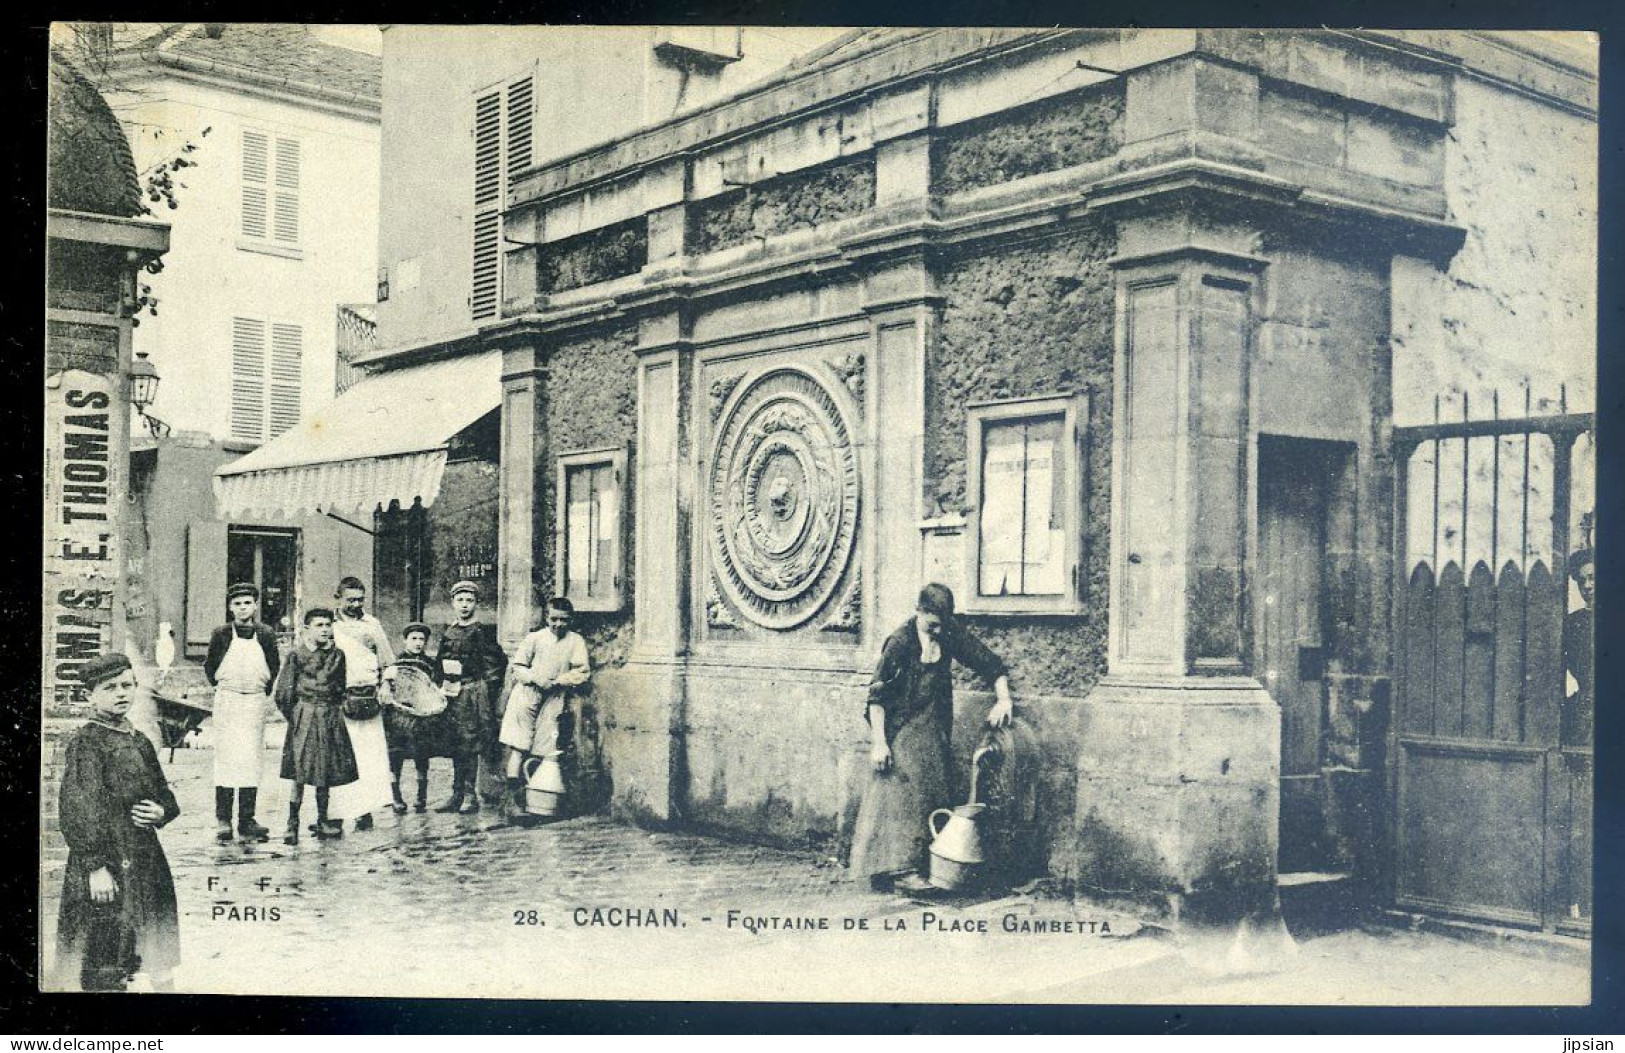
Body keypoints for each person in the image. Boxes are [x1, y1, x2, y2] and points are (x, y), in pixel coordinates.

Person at [848, 583, 1016, 888]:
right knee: (900, 799)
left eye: (943, 623)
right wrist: (880, 744)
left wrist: (1004, 699)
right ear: (920, 612)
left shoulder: (948, 633)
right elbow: (877, 698)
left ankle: (923, 865)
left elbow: (989, 663)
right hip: (900, 730)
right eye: (933, 623)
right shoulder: (900, 643)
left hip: (933, 729)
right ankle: (899, 870)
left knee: (931, 794)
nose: (938, 630)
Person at [54, 653, 182, 992]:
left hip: (144, 857)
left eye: (127, 685)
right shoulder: (88, 742)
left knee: (155, 948)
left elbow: (163, 792)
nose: (121, 693)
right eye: (110, 688)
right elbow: (77, 808)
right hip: (106, 862)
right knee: (106, 953)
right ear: (90, 696)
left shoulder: (138, 739)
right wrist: (95, 867)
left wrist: (162, 812)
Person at [498, 597, 591, 818]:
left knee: (545, 747)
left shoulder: (575, 641)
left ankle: (537, 801)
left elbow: (583, 671)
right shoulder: (535, 638)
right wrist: (536, 678)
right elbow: (518, 666)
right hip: (527, 696)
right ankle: (512, 801)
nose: (558, 624)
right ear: (546, 618)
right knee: (519, 747)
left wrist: (561, 680)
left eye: (564, 620)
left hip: (554, 698)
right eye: (554, 619)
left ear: (571, 620)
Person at [202, 582, 281, 843]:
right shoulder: (221, 634)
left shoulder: (267, 634)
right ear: (230, 608)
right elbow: (211, 666)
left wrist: (259, 691)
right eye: (237, 603)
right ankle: (223, 819)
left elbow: (273, 666)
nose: (242, 607)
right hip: (228, 701)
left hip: (254, 703)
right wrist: (228, 689)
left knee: (250, 760)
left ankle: (247, 819)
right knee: (226, 760)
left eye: (247, 602)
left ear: (255, 605)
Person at [274, 608, 357, 844]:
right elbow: (283, 693)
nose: (324, 630)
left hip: (330, 714)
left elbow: (341, 688)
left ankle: (323, 819)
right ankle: (292, 823)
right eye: (319, 625)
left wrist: (334, 709)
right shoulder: (296, 655)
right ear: (307, 629)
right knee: (299, 770)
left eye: (328, 625)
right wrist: (297, 715)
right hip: (305, 713)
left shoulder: (338, 655)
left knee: (326, 769)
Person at [429, 581, 508, 814]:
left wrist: (482, 689)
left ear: (476, 603)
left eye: (469, 600)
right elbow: (439, 664)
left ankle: (469, 795)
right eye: (460, 600)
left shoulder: (482, 632)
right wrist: (439, 685)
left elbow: (495, 666)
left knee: (469, 743)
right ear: (453, 603)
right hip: (451, 695)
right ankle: (455, 794)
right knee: (454, 743)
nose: (464, 605)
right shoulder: (449, 631)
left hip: (471, 694)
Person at [328, 576, 395, 832]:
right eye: (350, 600)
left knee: (368, 758)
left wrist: (386, 685)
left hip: (367, 699)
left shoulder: (372, 624)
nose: (356, 604)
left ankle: (364, 811)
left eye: (360, 599)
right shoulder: (328, 625)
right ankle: (334, 815)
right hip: (338, 700)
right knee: (339, 758)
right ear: (338, 598)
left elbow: (388, 661)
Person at [382, 622, 439, 814]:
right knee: (395, 756)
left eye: (421, 639)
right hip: (399, 718)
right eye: (413, 638)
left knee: (422, 756)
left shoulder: (431, 664)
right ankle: (396, 797)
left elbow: (436, 687)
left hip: (421, 718)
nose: (418, 643)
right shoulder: (395, 662)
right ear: (404, 640)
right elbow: (388, 686)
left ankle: (421, 798)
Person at [1562, 548, 1595, 749]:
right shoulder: (1573, 623)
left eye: (1593, 578)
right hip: (1585, 708)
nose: (1588, 586)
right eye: (1582, 582)